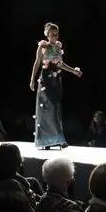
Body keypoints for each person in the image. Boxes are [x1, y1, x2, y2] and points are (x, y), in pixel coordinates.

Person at [29, 22, 83, 150]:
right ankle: (51, 140)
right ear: (47, 35)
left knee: (56, 109)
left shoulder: (58, 47)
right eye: (52, 34)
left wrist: (73, 71)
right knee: (47, 109)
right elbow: (37, 63)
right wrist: (32, 80)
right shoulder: (43, 46)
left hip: (56, 80)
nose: (55, 36)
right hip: (45, 80)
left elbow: (60, 64)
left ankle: (55, 139)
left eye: (56, 34)